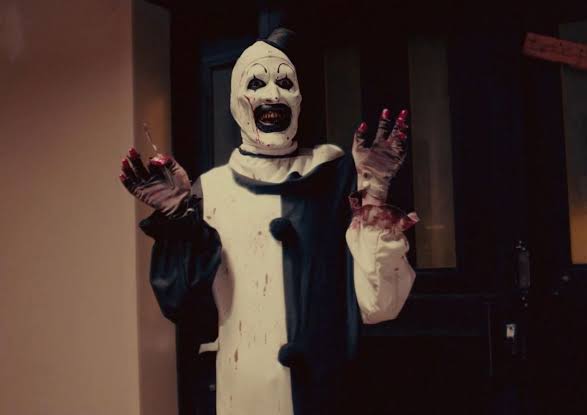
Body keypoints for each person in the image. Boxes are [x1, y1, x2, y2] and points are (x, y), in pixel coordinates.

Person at [119, 27, 417, 415]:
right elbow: (186, 308)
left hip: (330, 395)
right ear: (236, 101)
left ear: (299, 97)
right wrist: (180, 219)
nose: (272, 95)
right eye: (256, 83)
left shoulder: (335, 178)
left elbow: (379, 305)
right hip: (245, 396)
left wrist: (374, 194)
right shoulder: (211, 191)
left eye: (285, 83)